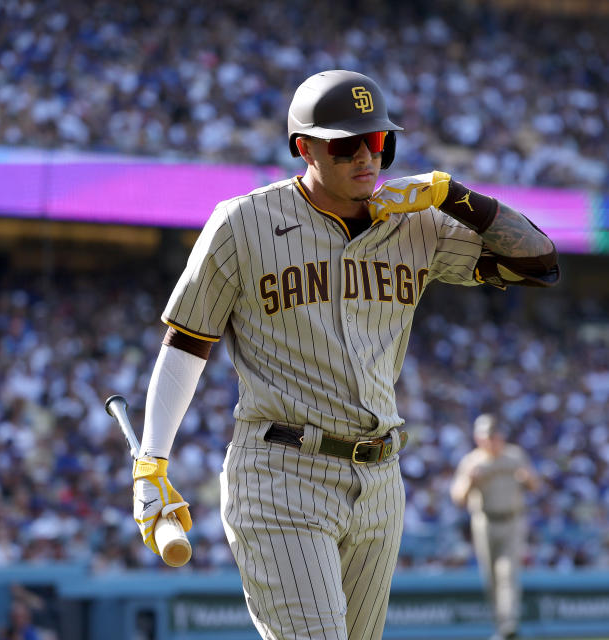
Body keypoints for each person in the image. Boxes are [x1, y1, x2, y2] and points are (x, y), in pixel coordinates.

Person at [130, 69, 559, 640]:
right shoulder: (242, 223)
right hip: (283, 471)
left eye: (377, 141)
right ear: (304, 147)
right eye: (344, 144)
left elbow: (539, 264)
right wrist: (152, 459)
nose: (366, 157)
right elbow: (187, 343)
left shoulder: (418, 224)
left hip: (381, 477)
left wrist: (454, 195)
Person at [450, 414, 541, 640]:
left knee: (508, 573)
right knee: (490, 577)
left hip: (512, 520)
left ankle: (509, 625)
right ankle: (501, 627)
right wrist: (470, 481)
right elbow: (458, 498)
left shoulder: (514, 455)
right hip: (485, 521)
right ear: (478, 438)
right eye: (486, 436)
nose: (491, 440)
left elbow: (535, 486)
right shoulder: (472, 461)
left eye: (494, 435)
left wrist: (527, 479)